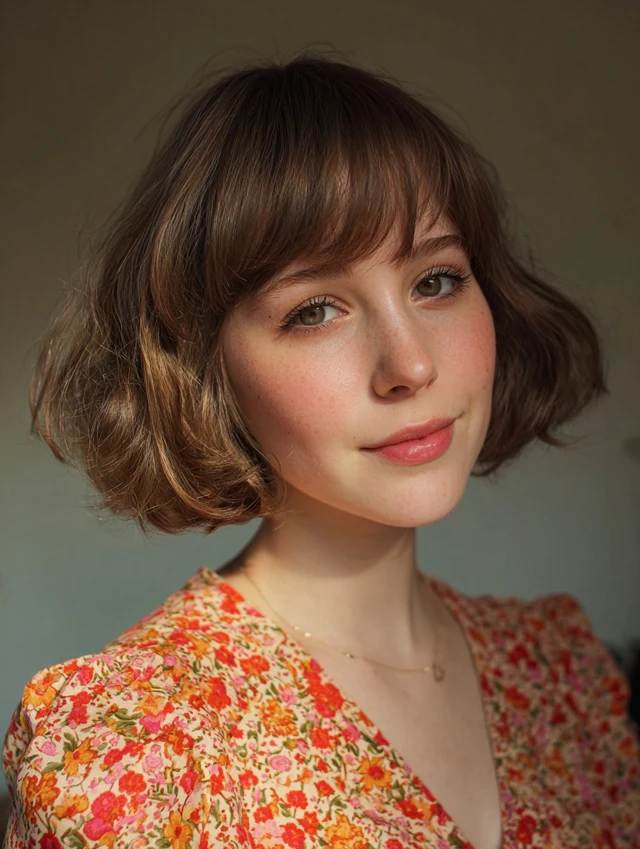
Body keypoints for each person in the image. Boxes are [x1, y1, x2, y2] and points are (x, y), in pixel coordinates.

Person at [2, 51, 638, 849]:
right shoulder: (140, 745)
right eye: (314, 310)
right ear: (204, 366)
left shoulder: (558, 673)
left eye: (436, 280)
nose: (411, 364)